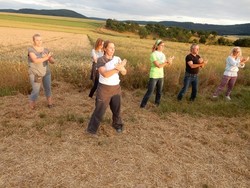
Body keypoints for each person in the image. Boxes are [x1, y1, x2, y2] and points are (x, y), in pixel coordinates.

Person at [86, 40, 127, 135]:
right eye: (110, 48)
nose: (113, 49)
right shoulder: (101, 60)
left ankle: (117, 125)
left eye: (114, 48)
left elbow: (124, 72)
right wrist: (117, 68)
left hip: (116, 88)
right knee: (99, 110)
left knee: (117, 109)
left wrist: (122, 69)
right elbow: (105, 74)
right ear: (105, 49)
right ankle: (91, 130)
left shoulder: (117, 59)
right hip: (104, 89)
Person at [140, 39, 174, 108]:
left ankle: (157, 104)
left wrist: (170, 61)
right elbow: (158, 65)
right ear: (157, 46)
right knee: (150, 91)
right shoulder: (153, 54)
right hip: (154, 75)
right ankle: (142, 105)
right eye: (161, 45)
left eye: (164, 46)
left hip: (161, 75)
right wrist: (167, 62)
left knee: (159, 91)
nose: (163, 47)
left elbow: (166, 65)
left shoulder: (163, 55)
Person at [28, 34, 55, 109]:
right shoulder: (31, 50)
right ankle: (31, 106)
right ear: (33, 41)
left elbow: (53, 61)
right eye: (37, 40)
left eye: (40, 40)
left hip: (46, 72)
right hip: (36, 73)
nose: (39, 42)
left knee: (48, 88)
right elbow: (35, 60)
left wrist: (49, 58)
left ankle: (50, 104)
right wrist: (46, 57)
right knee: (36, 90)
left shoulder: (46, 50)